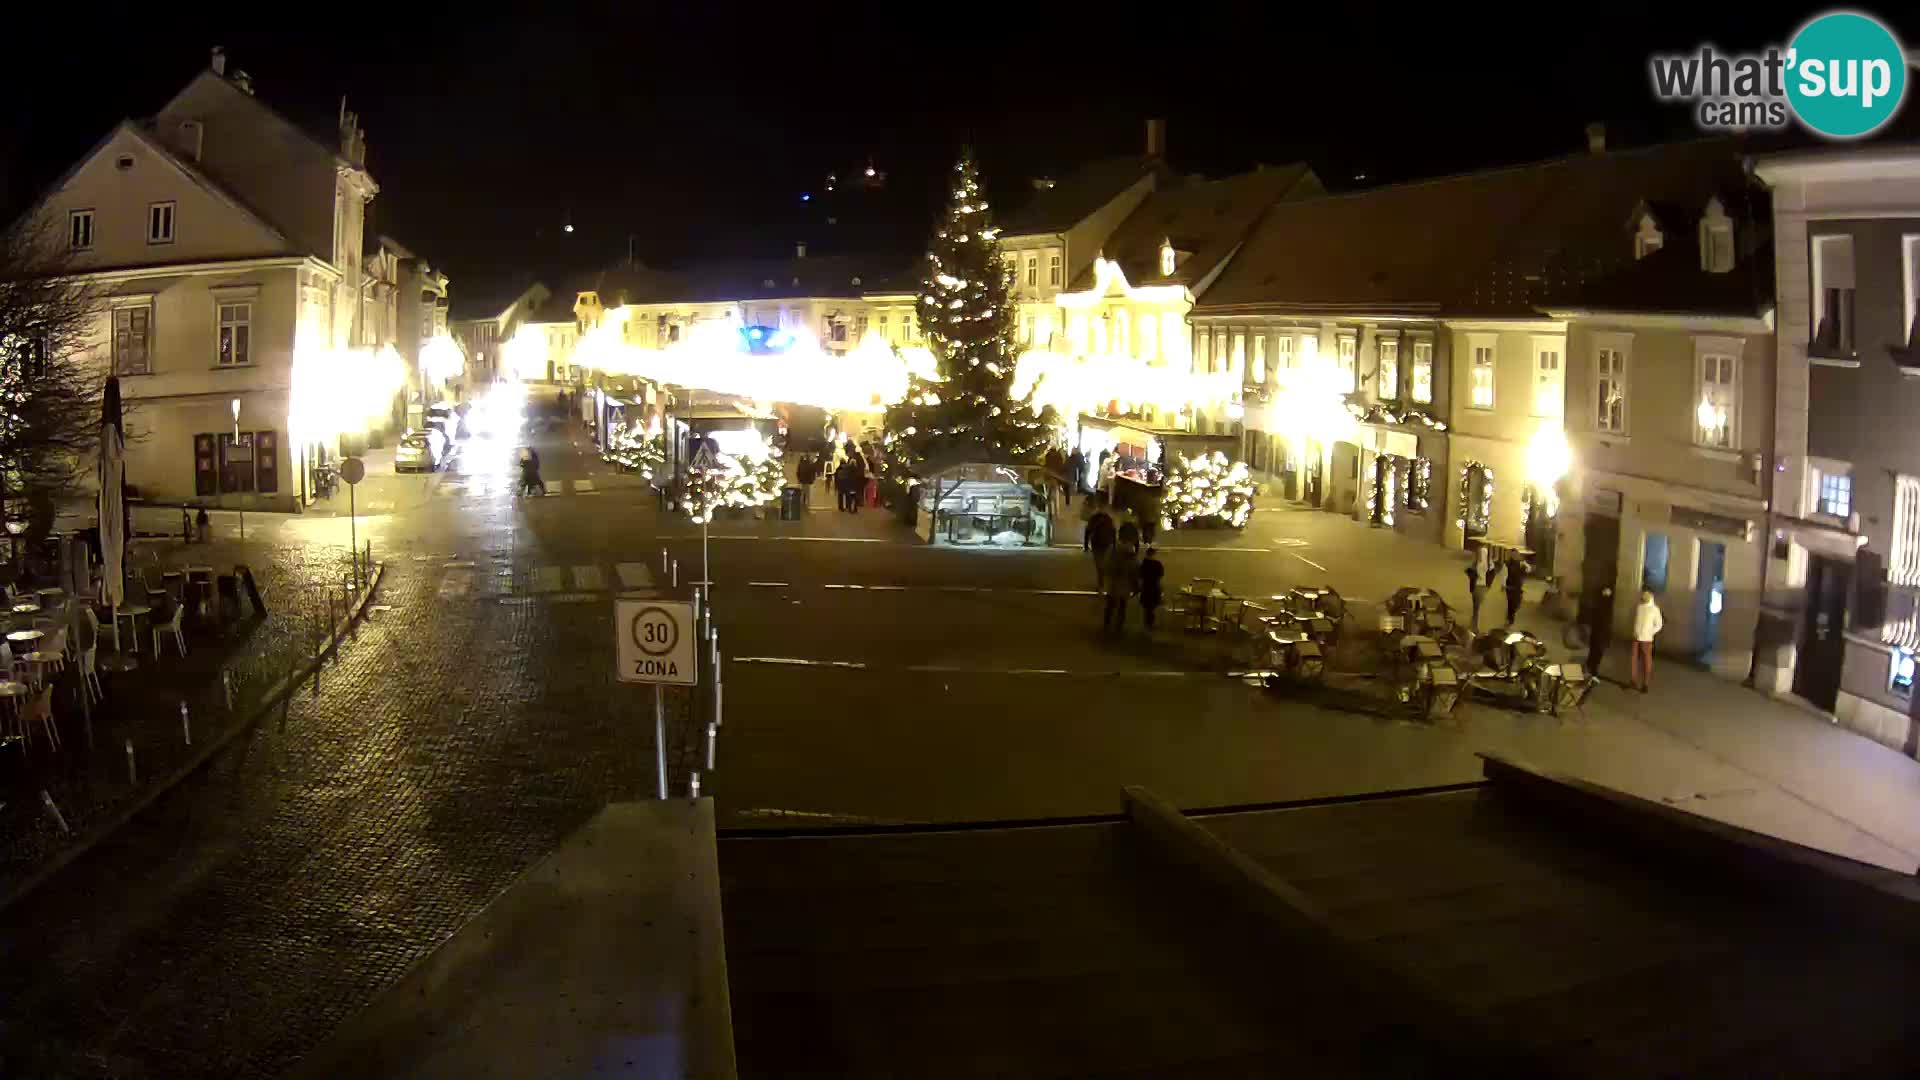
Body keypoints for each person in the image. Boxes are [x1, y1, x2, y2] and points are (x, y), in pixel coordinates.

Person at [1102, 541, 1140, 634]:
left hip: (1113, 585)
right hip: (1125, 586)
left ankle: (1107, 623)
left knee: (1110, 605)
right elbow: (1135, 573)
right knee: (1122, 606)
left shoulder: (1113, 556)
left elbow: (1106, 568)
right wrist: (1136, 587)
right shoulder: (1132, 560)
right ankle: (1119, 625)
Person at [1631, 589, 1664, 692]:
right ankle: (1633, 680)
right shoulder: (1639, 607)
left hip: (1646, 639)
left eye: (1646, 595)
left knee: (1646, 661)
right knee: (1634, 659)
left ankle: (1645, 683)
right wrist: (1634, 630)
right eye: (1643, 595)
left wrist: (1650, 632)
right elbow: (1636, 620)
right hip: (1636, 638)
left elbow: (1659, 624)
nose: (1644, 596)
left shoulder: (1654, 609)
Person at [1585, 585, 1615, 678]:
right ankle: (1592, 668)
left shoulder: (1602, 604)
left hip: (1599, 632)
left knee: (1595, 651)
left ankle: (1591, 667)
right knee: (1596, 651)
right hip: (1599, 632)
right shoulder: (1603, 605)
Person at [1085, 501, 1117, 590]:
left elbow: (1087, 531)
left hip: (1096, 544)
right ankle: (1104, 583)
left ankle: (1101, 584)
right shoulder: (1108, 519)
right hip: (1107, 544)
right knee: (1105, 564)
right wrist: (1114, 544)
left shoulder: (1094, 518)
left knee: (1099, 565)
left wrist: (1086, 545)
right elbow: (1113, 532)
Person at [1138, 546, 1165, 631]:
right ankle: (1149, 622)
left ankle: (1148, 622)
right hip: (1154, 587)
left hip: (1146, 587)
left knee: (1147, 607)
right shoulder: (1157, 564)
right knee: (1152, 606)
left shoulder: (1143, 564)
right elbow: (1161, 575)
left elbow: (1140, 575)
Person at [1504, 555, 1528, 625]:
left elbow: (1528, 570)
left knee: (1515, 603)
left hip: (1517, 587)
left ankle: (1510, 615)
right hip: (1510, 587)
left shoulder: (1522, 564)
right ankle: (1510, 617)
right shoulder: (1508, 564)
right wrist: (1503, 585)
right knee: (1511, 603)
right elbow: (1504, 574)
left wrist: (1524, 563)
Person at [1464, 562, 1485, 634]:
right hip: (1476, 588)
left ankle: (1475, 627)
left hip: (1480, 588)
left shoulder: (1485, 565)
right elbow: (1467, 571)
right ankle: (1474, 626)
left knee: (1477, 608)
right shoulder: (1475, 564)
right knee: (1476, 608)